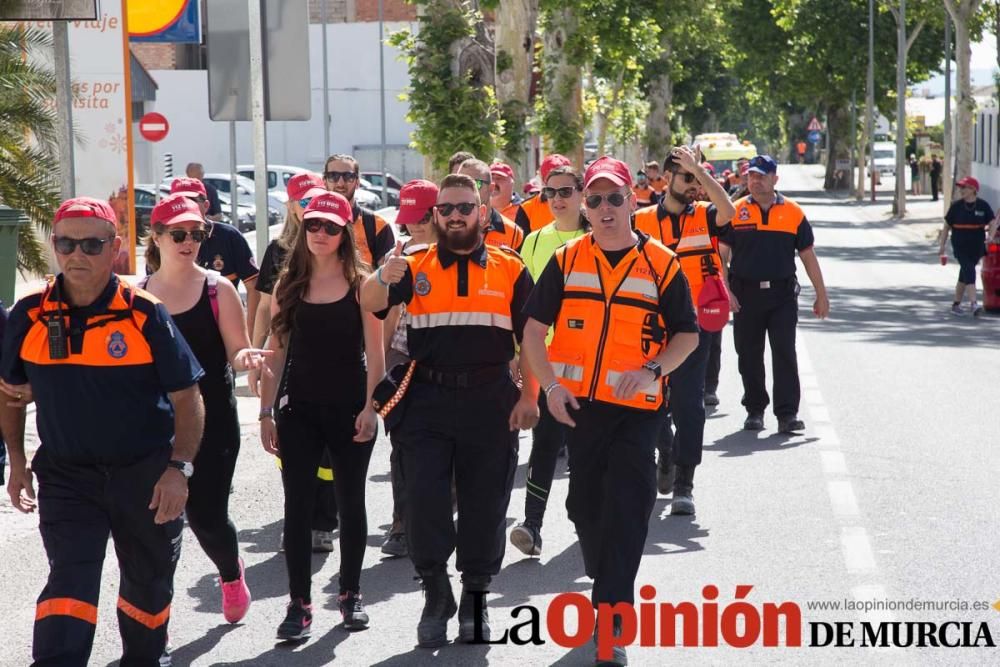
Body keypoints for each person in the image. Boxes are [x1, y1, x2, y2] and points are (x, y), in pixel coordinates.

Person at [0, 197, 205, 666]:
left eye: (92, 244)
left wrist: (179, 470)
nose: (78, 254)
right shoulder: (30, 314)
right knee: (70, 581)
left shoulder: (145, 313)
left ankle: (145, 658)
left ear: (114, 248)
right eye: (67, 243)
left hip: (145, 474)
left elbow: (188, 398)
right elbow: (10, 394)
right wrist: (16, 463)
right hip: (67, 476)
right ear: (54, 246)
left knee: (147, 582)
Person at [520, 156, 699, 666]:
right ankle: (608, 582)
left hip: (639, 412)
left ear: (632, 201)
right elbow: (533, 331)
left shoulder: (662, 262)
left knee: (630, 506)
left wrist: (654, 371)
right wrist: (549, 388)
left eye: (614, 198)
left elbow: (688, 334)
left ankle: (612, 615)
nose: (603, 208)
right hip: (580, 409)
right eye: (594, 199)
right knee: (583, 507)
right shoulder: (568, 259)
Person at [360, 173, 539, 648]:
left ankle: (475, 600)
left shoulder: (510, 266)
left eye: (465, 207)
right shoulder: (410, 262)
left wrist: (530, 397)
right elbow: (369, 302)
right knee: (423, 502)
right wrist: (382, 276)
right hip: (426, 401)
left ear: (482, 212)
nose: (456, 216)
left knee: (485, 504)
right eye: (447, 209)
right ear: (435, 215)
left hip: (491, 399)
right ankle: (436, 595)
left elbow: (535, 338)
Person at [259, 191, 384, 638]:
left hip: (352, 410)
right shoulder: (287, 283)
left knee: (351, 504)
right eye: (314, 225)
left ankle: (350, 595)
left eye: (331, 227)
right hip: (299, 412)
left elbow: (377, 352)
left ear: (345, 232)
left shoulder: (361, 284)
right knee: (298, 507)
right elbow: (275, 352)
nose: (320, 234)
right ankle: (299, 604)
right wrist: (265, 413)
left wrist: (372, 409)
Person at [142, 193, 270, 625]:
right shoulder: (136, 295)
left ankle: (231, 574)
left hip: (212, 421)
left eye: (197, 233)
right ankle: (152, 616)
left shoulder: (219, 289)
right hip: (154, 427)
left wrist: (247, 357)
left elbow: (235, 349)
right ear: (156, 237)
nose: (189, 241)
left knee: (207, 517)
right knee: (155, 522)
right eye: (178, 233)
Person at [634, 146, 736, 514]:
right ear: (666, 179)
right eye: (687, 177)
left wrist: (700, 172)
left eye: (697, 178)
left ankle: (684, 483)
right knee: (654, 403)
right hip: (650, 326)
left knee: (689, 405)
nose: (694, 185)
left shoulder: (707, 215)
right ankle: (667, 451)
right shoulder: (641, 220)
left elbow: (730, 211)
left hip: (694, 327)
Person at [250, 172, 341, 553]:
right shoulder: (277, 251)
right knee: (291, 446)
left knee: (328, 452)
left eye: (315, 201)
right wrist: (256, 356)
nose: (310, 211)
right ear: (290, 206)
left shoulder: (336, 243)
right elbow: (267, 311)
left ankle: (325, 518)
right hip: (287, 360)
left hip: (329, 364)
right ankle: (300, 519)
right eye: (303, 203)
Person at [508, 165, 588, 557]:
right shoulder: (535, 241)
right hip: (546, 362)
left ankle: (589, 517)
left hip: (593, 362)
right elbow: (519, 302)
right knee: (545, 443)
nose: (557, 199)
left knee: (588, 446)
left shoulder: (599, 236)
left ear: (582, 193)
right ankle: (532, 525)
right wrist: (516, 351)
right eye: (550, 192)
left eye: (566, 191)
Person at [719, 155, 829, 434]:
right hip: (745, 295)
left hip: (781, 295)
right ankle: (754, 410)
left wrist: (821, 293)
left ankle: (787, 414)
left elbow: (807, 255)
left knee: (784, 353)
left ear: (774, 179)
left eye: (761, 176)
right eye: (751, 176)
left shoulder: (793, 212)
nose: (754, 181)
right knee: (748, 354)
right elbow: (720, 256)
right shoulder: (735, 211)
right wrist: (726, 290)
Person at [378, 179, 441, 558]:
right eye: (409, 218)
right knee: (401, 445)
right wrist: (384, 363)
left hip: (444, 359)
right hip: (404, 360)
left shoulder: (458, 252)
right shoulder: (398, 254)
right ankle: (401, 523)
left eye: (421, 218)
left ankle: (438, 513)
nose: (414, 226)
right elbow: (387, 312)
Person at [171, 177, 262, 337]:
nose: (185, 205)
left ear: (206, 205)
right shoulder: (163, 240)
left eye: (192, 200)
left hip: (224, 332)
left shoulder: (229, 236)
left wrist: (248, 337)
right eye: (179, 200)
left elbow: (254, 287)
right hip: (178, 332)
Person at [323, 153, 396, 269]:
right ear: (324, 181)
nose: (340, 183)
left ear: (357, 182)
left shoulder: (377, 225)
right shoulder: (312, 223)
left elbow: (386, 279)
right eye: (333, 176)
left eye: (348, 176)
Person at [938, 176, 994, 317]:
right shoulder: (956, 207)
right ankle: (974, 304)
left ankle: (956, 304)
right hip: (960, 245)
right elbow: (946, 227)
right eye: (960, 187)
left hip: (976, 246)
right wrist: (942, 246)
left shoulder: (983, 206)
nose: (961, 190)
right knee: (969, 270)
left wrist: (991, 237)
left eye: (964, 187)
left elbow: (992, 222)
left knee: (965, 273)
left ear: (973, 189)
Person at [458, 158, 525, 250]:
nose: (467, 189)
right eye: (460, 184)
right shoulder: (444, 227)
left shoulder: (514, 233)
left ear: (491, 188)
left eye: (476, 183)